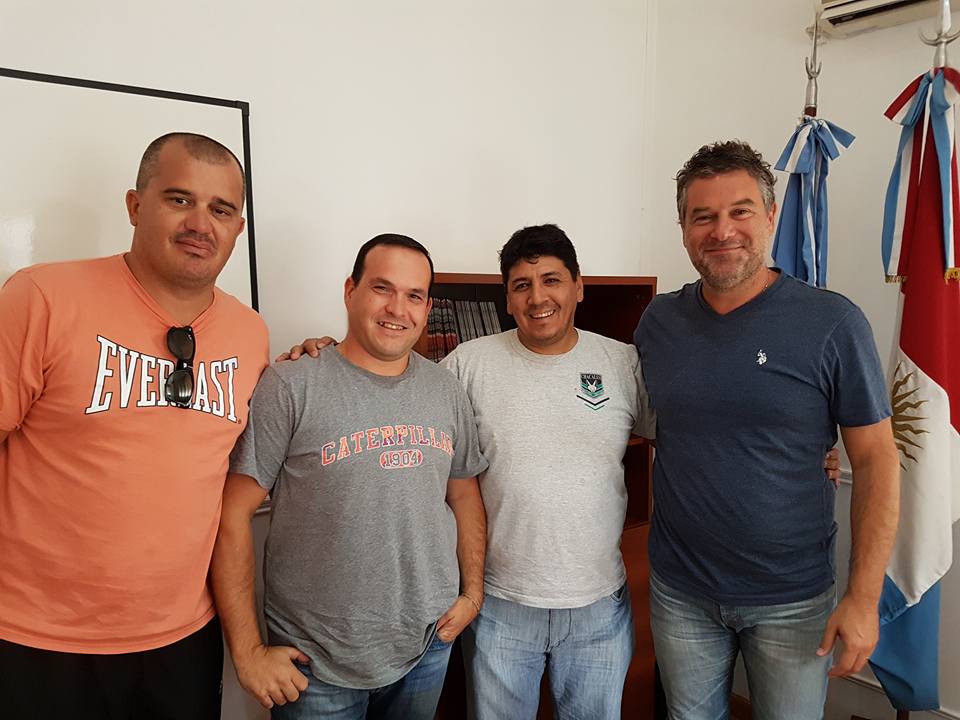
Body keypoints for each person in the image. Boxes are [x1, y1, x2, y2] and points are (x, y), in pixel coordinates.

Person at [0, 132, 269, 719]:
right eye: (179, 199)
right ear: (135, 205)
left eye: (221, 209)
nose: (200, 223)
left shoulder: (250, 334)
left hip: (182, 640)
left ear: (238, 228)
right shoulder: (40, 297)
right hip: (36, 641)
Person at [634, 140, 900, 720]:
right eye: (703, 216)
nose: (722, 230)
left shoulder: (833, 323)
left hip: (792, 600)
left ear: (772, 215)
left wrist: (864, 596)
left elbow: (877, 458)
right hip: (680, 592)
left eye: (740, 211)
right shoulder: (658, 322)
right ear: (683, 229)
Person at [212, 233, 488, 719]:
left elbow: (464, 495)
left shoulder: (446, 390)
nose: (397, 309)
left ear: (427, 309)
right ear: (350, 291)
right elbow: (231, 515)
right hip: (315, 664)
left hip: (426, 646)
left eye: (414, 295)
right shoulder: (292, 384)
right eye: (382, 288)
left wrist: (472, 594)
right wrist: (248, 652)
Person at [441, 224, 654, 720]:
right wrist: (330, 356)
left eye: (552, 280)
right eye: (522, 285)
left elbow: (689, 434)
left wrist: (802, 451)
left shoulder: (621, 362)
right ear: (507, 298)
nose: (538, 298)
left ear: (579, 287)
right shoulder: (469, 364)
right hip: (500, 607)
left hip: (598, 607)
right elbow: (399, 394)